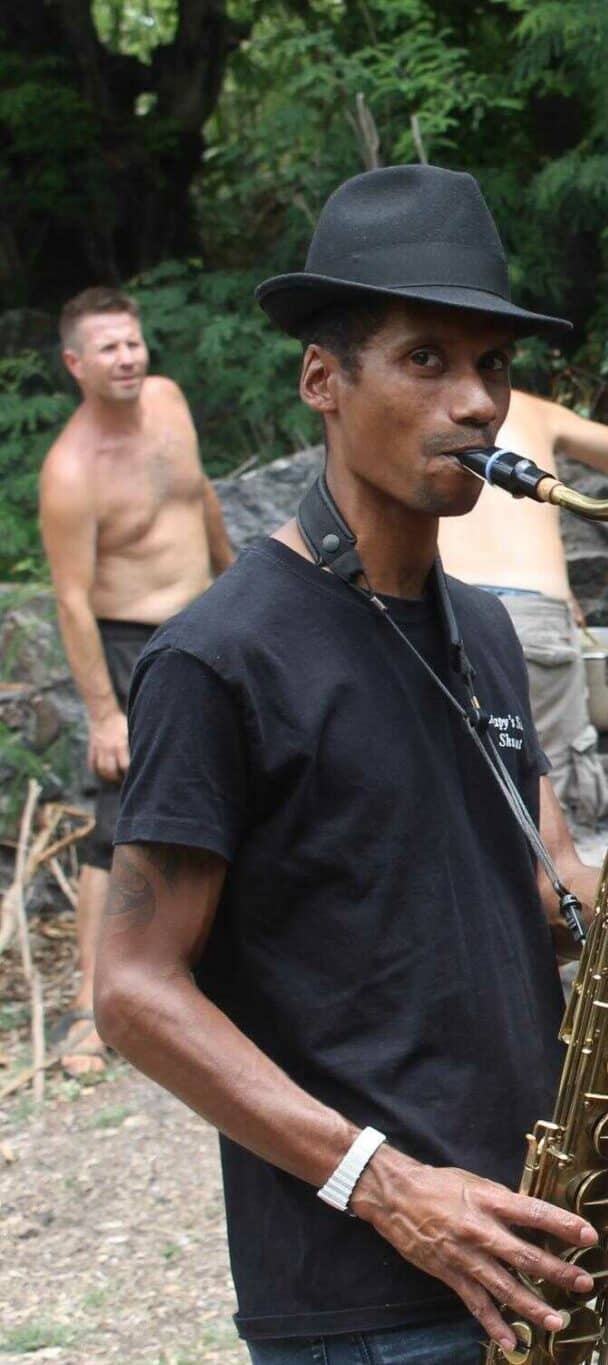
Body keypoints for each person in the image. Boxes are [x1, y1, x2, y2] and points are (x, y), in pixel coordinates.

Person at [91, 164, 608, 1363]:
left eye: (493, 368)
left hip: (536, 1242)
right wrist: (388, 1187)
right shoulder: (221, 655)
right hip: (366, 1290)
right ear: (322, 380)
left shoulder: (485, 631)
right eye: (426, 360)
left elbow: (552, 885)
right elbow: (133, 990)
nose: (475, 402)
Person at [36, 286, 235, 1077]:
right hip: (133, 645)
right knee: (115, 828)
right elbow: (72, 600)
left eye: (133, 342)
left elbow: (202, 498)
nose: (127, 358)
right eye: (107, 349)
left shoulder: (171, 401)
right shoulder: (70, 468)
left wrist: (242, 578)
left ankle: (216, 977)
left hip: (211, 619)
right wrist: (102, 713)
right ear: (75, 364)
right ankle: (92, 1008)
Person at [438, 388, 608, 823]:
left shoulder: (416, 399)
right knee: (552, 811)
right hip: (536, 618)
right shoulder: (533, 409)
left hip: (443, 609)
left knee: (455, 800)